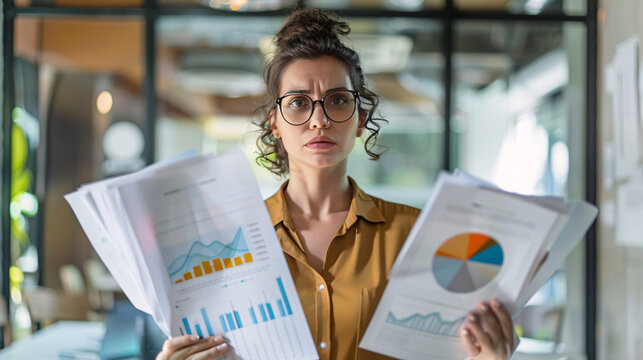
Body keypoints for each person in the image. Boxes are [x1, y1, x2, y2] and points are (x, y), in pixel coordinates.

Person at [156, 8, 514, 360]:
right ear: (275, 123)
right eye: (298, 103)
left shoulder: (417, 234)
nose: (320, 120)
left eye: (338, 100)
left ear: (360, 120)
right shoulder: (227, 246)